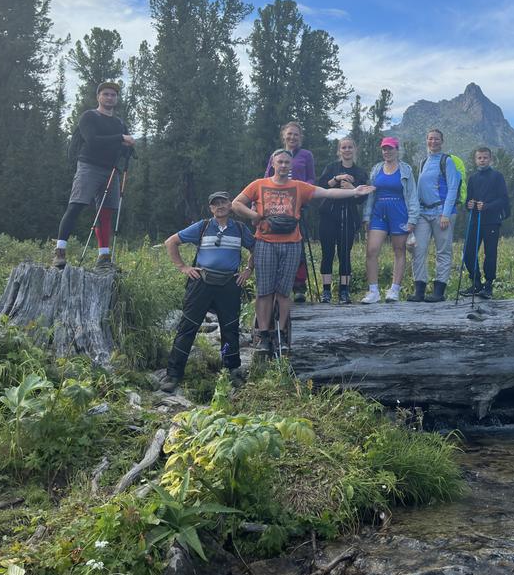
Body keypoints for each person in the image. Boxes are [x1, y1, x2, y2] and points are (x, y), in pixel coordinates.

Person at [233, 149, 373, 356]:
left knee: (283, 291)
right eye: (279, 162)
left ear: (291, 166)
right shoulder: (258, 184)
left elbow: (326, 192)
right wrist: (255, 215)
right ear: (272, 163)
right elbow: (236, 204)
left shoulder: (298, 187)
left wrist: (354, 192)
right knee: (264, 292)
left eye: (286, 163)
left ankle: (280, 333)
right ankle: (264, 335)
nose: (283, 166)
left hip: (291, 243)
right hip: (264, 243)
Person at [160, 191, 254, 392]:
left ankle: (231, 370)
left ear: (230, 205)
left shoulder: (239, 228)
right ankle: (173, 374)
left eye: (223, 202)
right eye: (215, 204)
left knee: (229, 330)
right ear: (211, 208)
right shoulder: (202, 226)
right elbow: (171, 242)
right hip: (201, 283)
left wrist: (248, 270)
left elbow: (255, 248)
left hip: (229, 284)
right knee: (187, 328)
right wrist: (183, 267)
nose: (220, 206)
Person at [52, 81, 135, 269]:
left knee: (105, 213)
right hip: (88, 166)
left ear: (116, 99)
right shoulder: (89, 117)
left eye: (113, 95)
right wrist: (121, 139)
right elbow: (92, 140)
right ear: (98, 97)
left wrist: (127, 148)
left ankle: (104, 257)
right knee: (76, 206)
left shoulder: (119, 123)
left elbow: (124, 148)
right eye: (106, 94)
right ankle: (59, 252)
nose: (110, 97)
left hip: (111, 170)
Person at [361, 137, 419, 303]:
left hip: (399, 211)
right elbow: (371, 195)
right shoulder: (376, 169)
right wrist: (367, 216)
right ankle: (373, 291)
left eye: (390, 149)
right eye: (384, 149)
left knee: (399, 250)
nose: (387, 152)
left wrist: (412, 219)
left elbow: (412, 195)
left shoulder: (405, 169)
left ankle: (394, 290)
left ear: (397, 150)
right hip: (379, 212)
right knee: (371, 250)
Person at [265, 122, 316, 301]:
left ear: (300, 137)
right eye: (289, 134)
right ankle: (277, 284)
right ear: (283, 136)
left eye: (295, 134)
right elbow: (266, 177)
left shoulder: (306, 155)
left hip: (298, 204)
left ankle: (299, 286)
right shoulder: (276, 155)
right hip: (277, 203)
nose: (292, 137)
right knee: (278, 240)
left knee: (298, 244)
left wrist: (303, 190)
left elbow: (311, 177)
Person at [411, 129, 463, 302]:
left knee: (443, 251)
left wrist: (446, 214)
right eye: (430, 139)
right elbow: (419, 189)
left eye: (437, 139)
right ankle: (419, 290)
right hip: (423, 213)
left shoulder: (446, 161)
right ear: (426, 140)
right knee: (418, 249)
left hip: (442, 212)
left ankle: (439, 292)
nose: (433, 142)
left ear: (442, 141)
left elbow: (453, 187)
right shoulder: (423, 162)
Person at [315, 137, 368, 304]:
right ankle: (326, 292)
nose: (347, 150)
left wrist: (353, 190)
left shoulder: (360, 172)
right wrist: (337, 179)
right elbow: (321, 186)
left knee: (345, 254)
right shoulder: (331, 167)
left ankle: (344, 292)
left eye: (350, 147)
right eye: (343, 147)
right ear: (339, 151)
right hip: (328, 216)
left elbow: (362, 199)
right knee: (327, 253)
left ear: (354, 150)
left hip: (348, 217)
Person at [461, 147, 509, 299]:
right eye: (479, 158)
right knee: (468, 252)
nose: (482, 160)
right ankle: (476, 282)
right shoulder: (473, 178)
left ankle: (488, 285)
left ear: (491, 159)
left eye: (485, 158)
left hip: (492, 221)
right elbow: (468, 199)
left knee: (490, 254)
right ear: (476, 160)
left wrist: (487, 206)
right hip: (475, 220)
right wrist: (468, 205)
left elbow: (503, 199)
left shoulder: (497, 176)